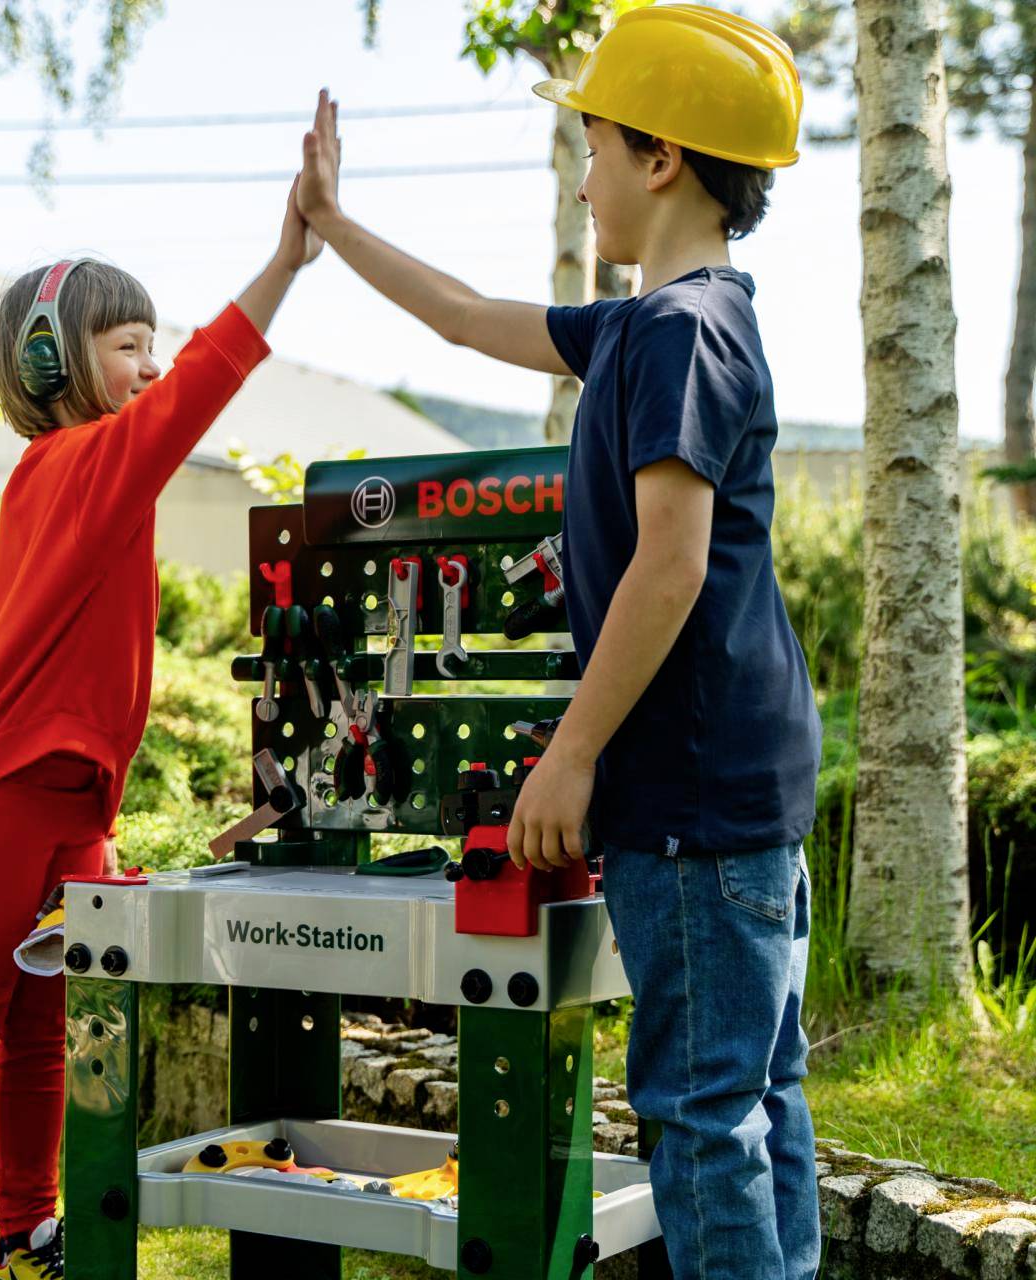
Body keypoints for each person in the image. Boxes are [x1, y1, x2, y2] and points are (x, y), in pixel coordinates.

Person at [294, 6, 823, 1276]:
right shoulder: (643, 325)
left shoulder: (682, 331)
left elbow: (670, 561)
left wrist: (570, 752)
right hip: (731, 787)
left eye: (593, 147)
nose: (582, 179)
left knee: (701, 1117)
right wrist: (331, 224)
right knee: (756, 1100)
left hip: (690, 800)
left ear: (661, 159)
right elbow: (465, 317)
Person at [0, 180, 322, 1280]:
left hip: (70, 798)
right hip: (1, 789)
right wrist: (283, 265)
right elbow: (203, 386)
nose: (153, 366)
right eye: (128, 345)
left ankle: (25, 1229)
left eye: (154, 343)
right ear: (54, 362)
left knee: (43, 1028)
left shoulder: (94, 473)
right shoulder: (79, 462)